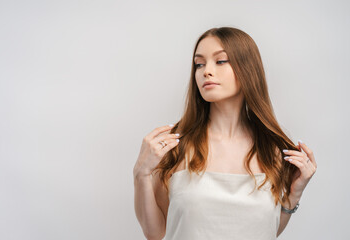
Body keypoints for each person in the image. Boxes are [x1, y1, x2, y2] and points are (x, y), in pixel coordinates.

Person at [133, 27, 317, 240]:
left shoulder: (273, 150)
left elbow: (265, 230)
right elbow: (154, 233)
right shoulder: (175, 145)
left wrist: (294, 194)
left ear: (248, 68)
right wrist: (141, 174)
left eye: (220, 61)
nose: (206, 71)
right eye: (199, 64)